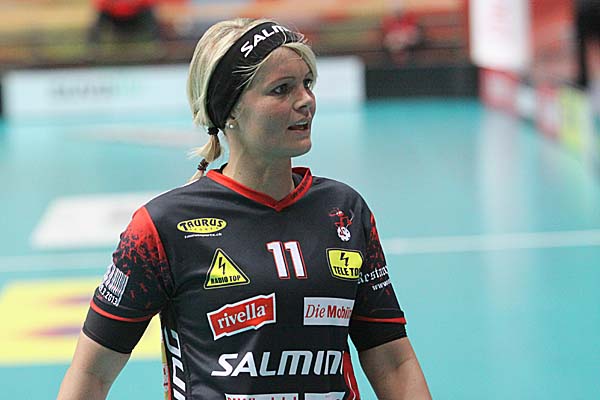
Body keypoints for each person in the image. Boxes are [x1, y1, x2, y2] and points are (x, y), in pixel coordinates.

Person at [58, 18, 431, 400]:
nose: (305, 100)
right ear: (230, 109)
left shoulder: (344, 212)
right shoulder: (162, 228)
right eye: (281, 89)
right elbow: (92, 374)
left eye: (307, 83)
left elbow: (393, 362)